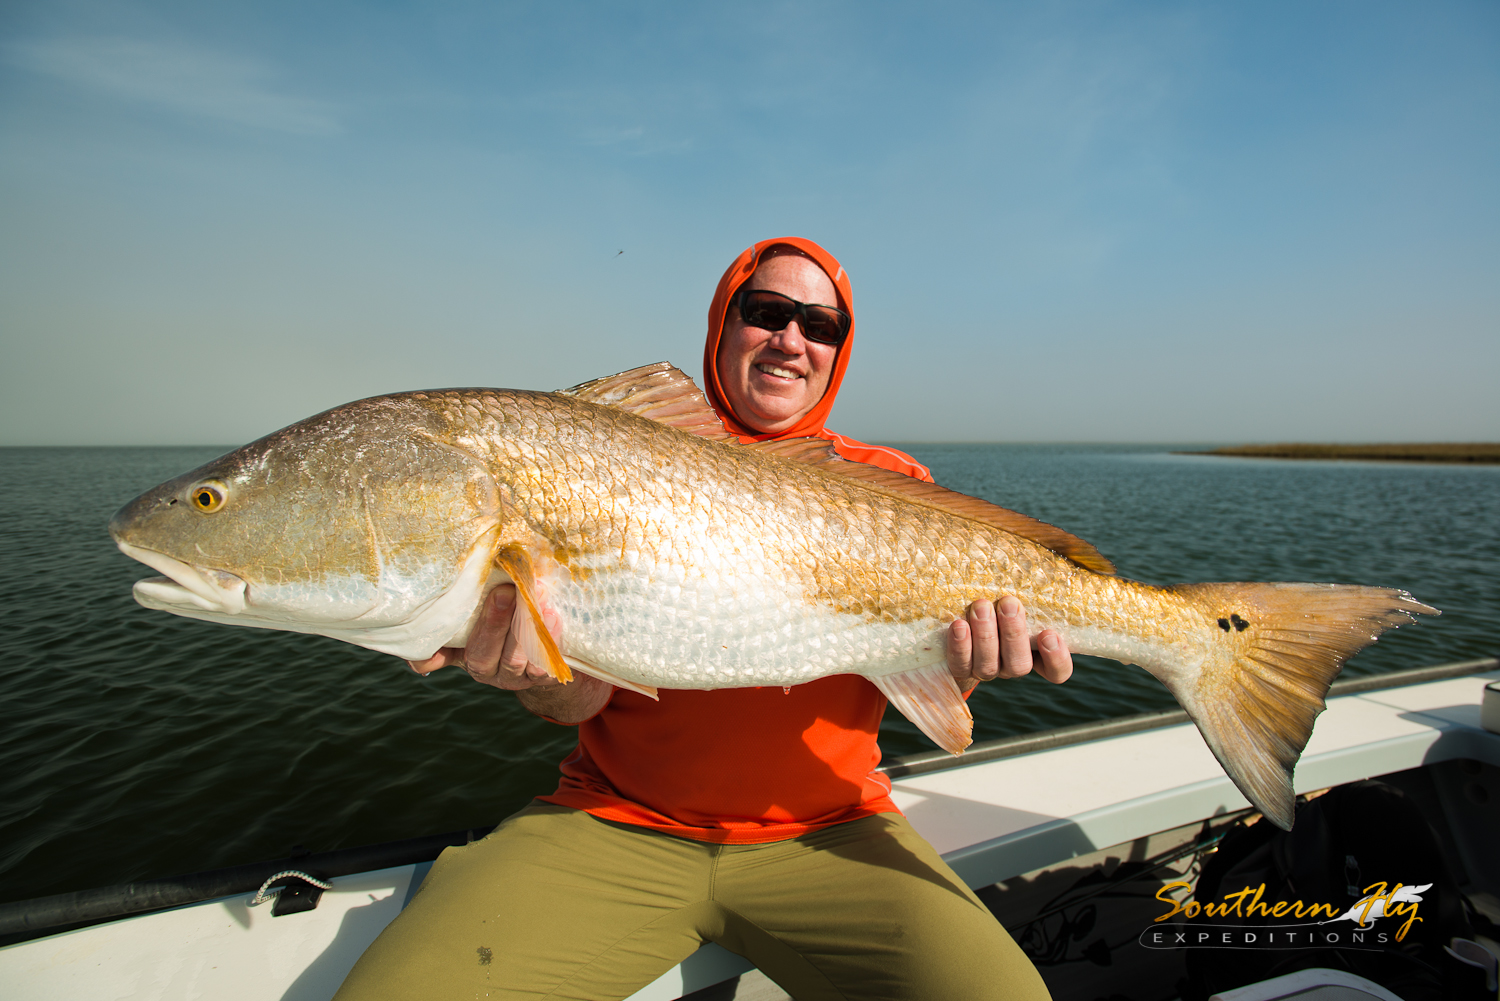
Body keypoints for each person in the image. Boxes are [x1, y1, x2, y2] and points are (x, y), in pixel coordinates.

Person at [334, 238, 1071, 1001]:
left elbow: (935, 673)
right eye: (767, 312)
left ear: (838, 351)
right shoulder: (607, 459)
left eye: (820, 325)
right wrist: (536, 674)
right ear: (723, 324)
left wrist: (969, 663)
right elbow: (576, 700)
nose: (792, 339)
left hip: (830, 833)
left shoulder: (891, 486)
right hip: (617, 822)